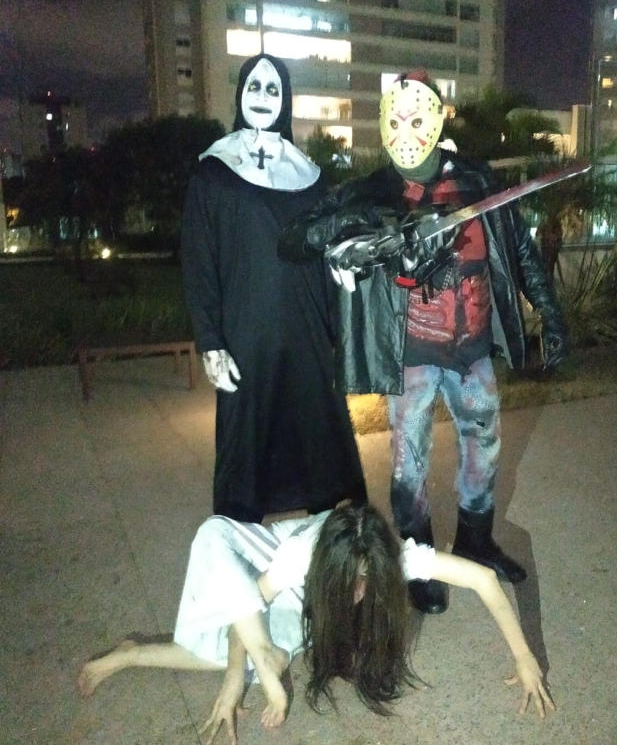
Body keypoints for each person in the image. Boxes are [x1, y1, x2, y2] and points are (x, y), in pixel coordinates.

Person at [278, 70, 568, 614]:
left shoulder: (477, 180)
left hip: (473, 348)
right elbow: (294, 240)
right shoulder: (371, 190)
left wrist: (549, 314)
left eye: (417, 118)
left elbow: (520, 250)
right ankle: (418, 562)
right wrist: (362, 221)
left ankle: (476, 543)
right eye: (395, 118)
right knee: (408, 463)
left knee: (483, 448)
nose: (405, 130)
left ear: (438, 119)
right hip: (410, 352)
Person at [78, 502, 555, 744]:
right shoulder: (298, 558)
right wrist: (234, 680)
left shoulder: (394, 558)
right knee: (229, 632)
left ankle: (139, 654)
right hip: (259, 564)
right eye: (351, 582)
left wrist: (524, 657)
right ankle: (150, 655)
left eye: (367, 580)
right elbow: (244, 605)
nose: (360, 592)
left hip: (301, 598)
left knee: (255, 651)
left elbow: (483, 580)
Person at [181, 53, 366, 522]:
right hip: (247, 336)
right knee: (245, 453)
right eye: (254, 86)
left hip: (307, 334)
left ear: (285, 100)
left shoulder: (309, 176)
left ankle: (325, 549)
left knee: (318, 447)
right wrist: (211, 342)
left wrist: (343, 283)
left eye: (273, 88)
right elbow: (199, 260)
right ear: (240, 94)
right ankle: (241, 544)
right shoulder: (214, 172)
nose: (263, 96)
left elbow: (325, 252)